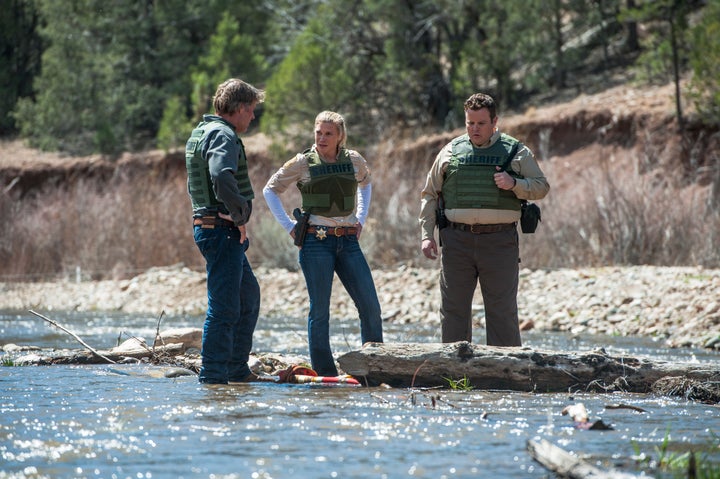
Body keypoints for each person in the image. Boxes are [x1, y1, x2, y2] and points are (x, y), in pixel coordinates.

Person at [419, 93, 550, 347]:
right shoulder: (451, 151)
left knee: (502, 312)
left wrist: (514, 184)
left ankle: (505, 373)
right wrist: (426, 235)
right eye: (470, 123)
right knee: (453, 310)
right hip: (456, 241)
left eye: (480, 123)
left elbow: (541, 187)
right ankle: (454, 374)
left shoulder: (515, 150)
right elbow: (429, 193)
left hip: (500, 242)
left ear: (494, 121)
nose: (474, 129)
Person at [263, 111, 384, 376]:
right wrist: (290, 227)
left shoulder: (354, 160)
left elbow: (366, 184)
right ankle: (325, 373)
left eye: (328, 133)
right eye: (318, 132)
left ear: (340, 136)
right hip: (315, 243)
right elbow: (269, 190)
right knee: (320, 311)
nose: (322, 137)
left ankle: (375, 367)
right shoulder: (302, 162)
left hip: (348, 241)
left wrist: (360, 218)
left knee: (370, 307)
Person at [185, 78, 265, 384]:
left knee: (247, 296)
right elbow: (220, 174)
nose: (253, 117)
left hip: (213, 228)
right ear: (241, 108)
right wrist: (239, 214)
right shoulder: (222, 134)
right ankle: (214, 378)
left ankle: (235, 369)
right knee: (225, 308)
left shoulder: (203, 131)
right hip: (221, 230)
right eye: (252, 110)